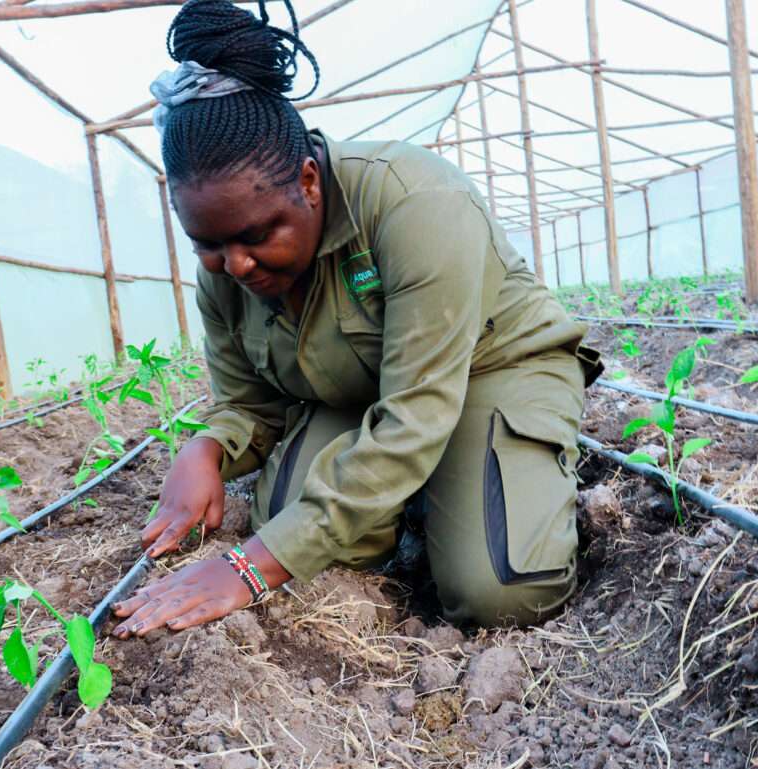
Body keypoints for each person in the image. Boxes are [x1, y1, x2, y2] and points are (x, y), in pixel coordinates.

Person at [112, 0, 601, 638]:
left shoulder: (416, 205)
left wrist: (248, 569)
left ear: (309, 183)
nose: (236, 264)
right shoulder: (227, 271)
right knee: (305, 541)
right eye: (208, 243)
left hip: (487, 371)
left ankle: (477, 478)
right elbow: (250, 405)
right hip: (351, 394)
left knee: (501, 594)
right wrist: (205, 448)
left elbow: (416, 414)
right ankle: (427, 499)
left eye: (258, 235)